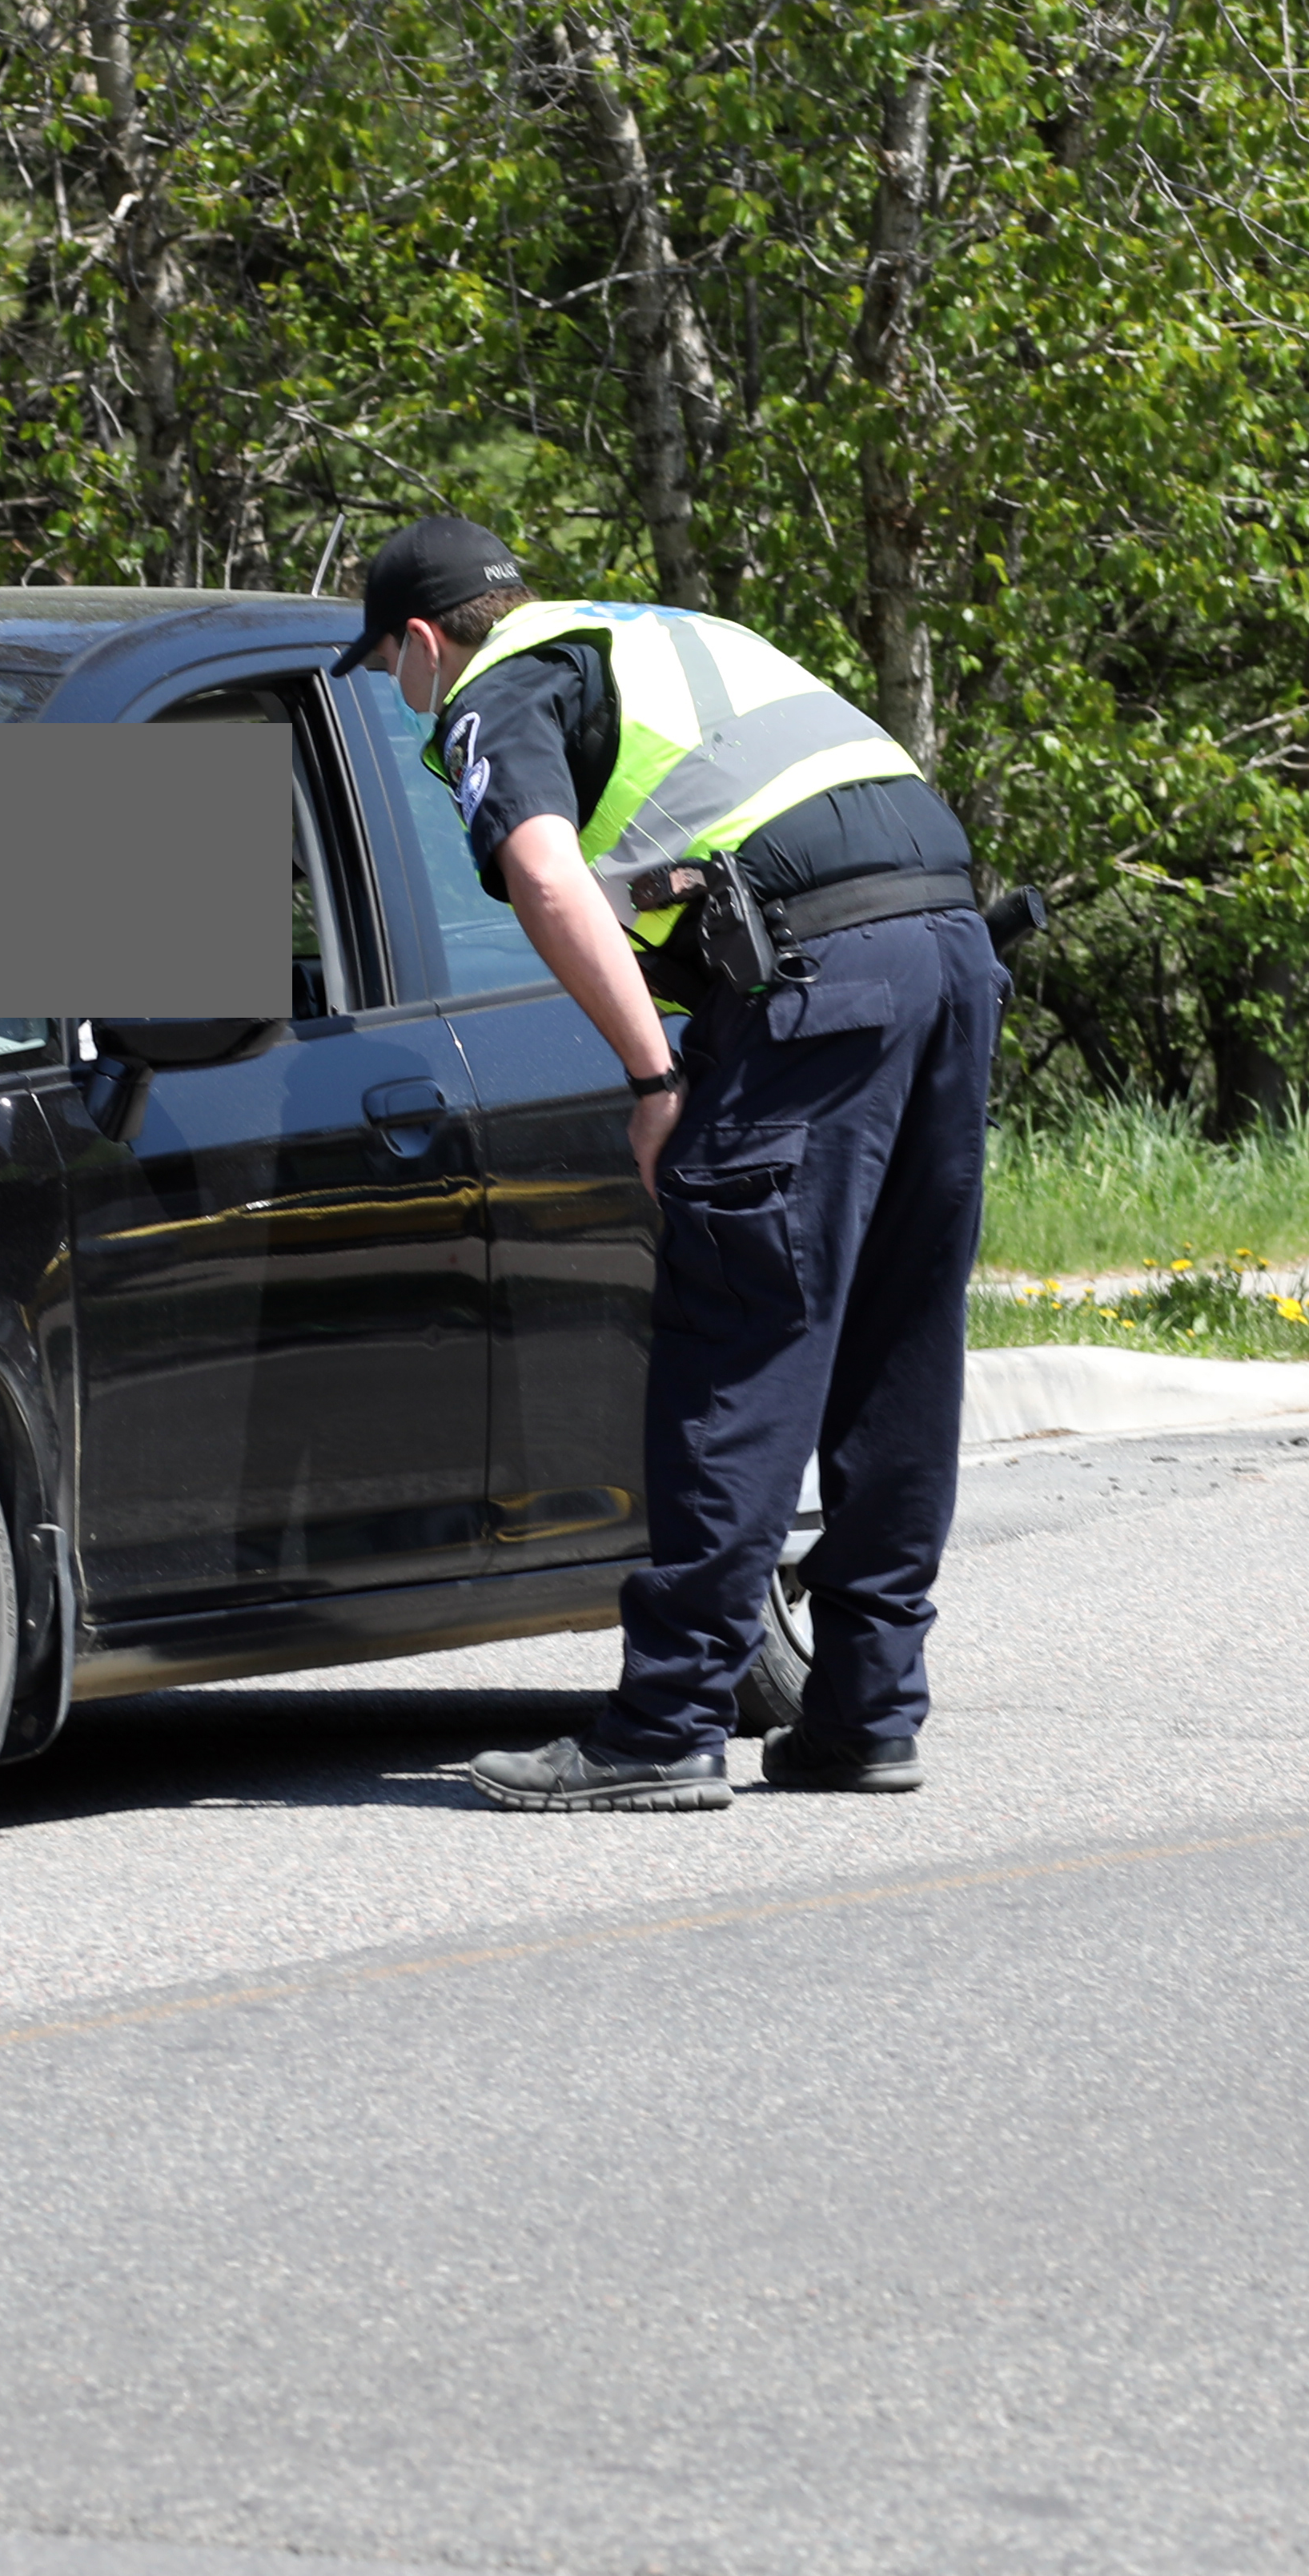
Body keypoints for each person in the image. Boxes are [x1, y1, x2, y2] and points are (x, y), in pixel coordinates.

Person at [347, 514, 1005, 1814]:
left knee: (740, 1339)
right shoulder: (668, 636)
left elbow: (541, 872)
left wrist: (654, 1079)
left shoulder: (500, 687)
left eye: (389, 670)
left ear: (424, 640)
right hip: (949, 953)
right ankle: (868, 1712)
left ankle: (665, 1726)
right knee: (895, 1344)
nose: (401, 694)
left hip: (814, 991)